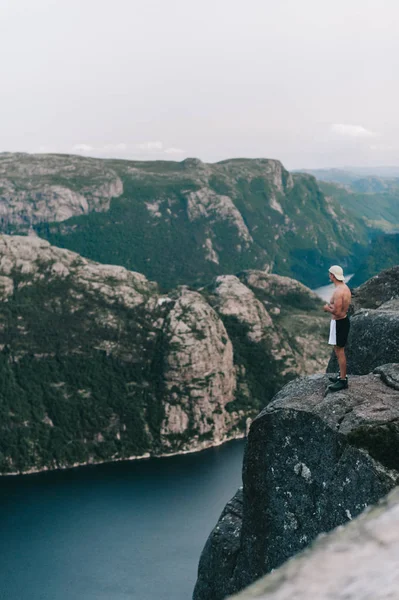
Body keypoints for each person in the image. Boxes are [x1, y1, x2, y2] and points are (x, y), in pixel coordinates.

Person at [323, 265, 351, 391]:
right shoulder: (344, 288)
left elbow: (337, 312)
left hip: (339, 323)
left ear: (332, 276)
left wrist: (326, 308)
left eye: (330, 273)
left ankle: (343, 380)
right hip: (343, 322)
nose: (329, 275)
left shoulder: (339, 291)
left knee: (339, 352)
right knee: (338, 350)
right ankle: (341, 375)